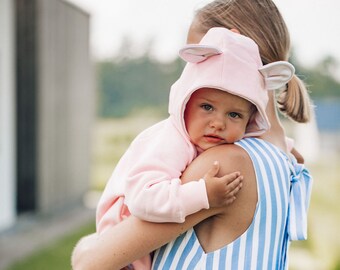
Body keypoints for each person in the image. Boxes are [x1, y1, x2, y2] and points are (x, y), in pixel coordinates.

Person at [71, 0, 313, 269]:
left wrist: (85, 246)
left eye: (199, 60)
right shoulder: (284, 160)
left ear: (232, 44)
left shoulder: (223, 166)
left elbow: (90, 264)